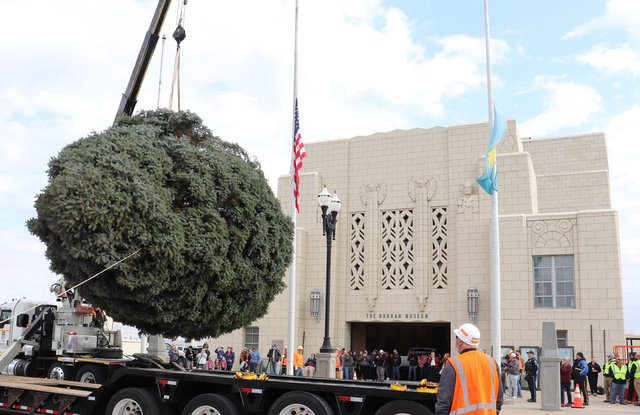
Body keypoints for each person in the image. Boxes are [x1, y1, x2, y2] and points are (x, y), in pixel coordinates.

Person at [435, 323, 502, 415]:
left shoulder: (454, 364)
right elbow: (499, 399)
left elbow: (444, 403)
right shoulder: (492, 363)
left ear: (460, 341)